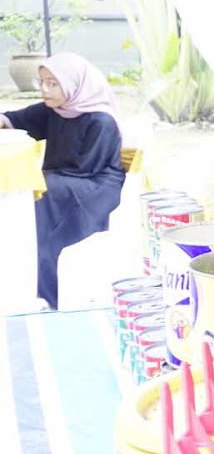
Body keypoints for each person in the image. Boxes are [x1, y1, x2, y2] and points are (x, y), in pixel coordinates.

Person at [0, 52, 125, 309]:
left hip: (96, 186)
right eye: (42, 82)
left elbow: (86, 170)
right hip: (64, 181)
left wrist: (42, 180)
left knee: (36, 195)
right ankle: (33, 278)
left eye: (53, 83)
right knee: (35, 191)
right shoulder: (56, 109)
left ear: (74, 83)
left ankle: (47, 291)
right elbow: (14, 119)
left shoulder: (101, 120)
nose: (45, 89)